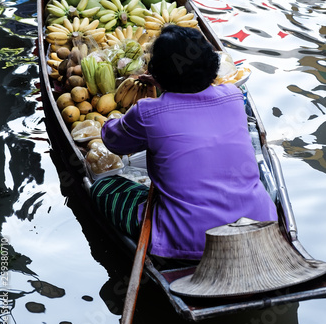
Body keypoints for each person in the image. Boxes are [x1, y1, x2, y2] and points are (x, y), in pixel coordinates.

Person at [90, 25, 277, 260]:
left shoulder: (147, 112)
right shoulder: (233, 96)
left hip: (191, 240)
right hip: (259, 224)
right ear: (211, 66)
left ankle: (163, 250)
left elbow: (113, 142)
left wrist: (135, 107)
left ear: (158, 74)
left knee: (103, 188)